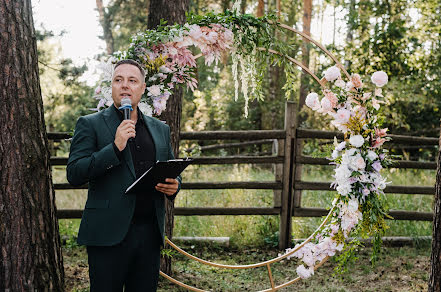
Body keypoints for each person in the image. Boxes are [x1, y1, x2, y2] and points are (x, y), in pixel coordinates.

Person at [67, 59, 181, 292]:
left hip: (149, 234)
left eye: (132, 80)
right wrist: (114, 148)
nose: (125, 86)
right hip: (107, 235)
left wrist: (175, 185)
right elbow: (75, 173)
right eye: (118, 80)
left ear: (142, 88)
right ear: (112, 87)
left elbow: (170, 167)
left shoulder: (160, 129)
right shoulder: (90, 124)